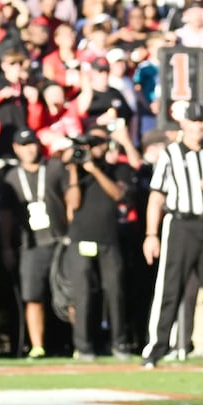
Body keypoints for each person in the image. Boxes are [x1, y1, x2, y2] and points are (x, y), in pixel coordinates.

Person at [140, 103, 203, 369]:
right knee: (170, 287)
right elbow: (156, 196)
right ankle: (155, 348)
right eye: (193, 121)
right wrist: (151, 234)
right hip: (180, 224)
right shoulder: (170, 153)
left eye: (201, 121)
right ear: (184, 124)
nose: (198, 126)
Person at [58, 125, 134, 360]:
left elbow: (117, 194)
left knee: (115, 292)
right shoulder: (77, 173)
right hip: (81, 239)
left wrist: (95, 170)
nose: (94, 149)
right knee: (82, 295)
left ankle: (119, 343)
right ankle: (83, 346)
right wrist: (74, 170)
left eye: (98, 144)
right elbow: (73, 202)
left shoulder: (117, 169)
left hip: (108, 239)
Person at [0, 128, 65, 358]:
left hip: (58, 239)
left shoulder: (54, 168)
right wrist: (6, 246)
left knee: (70, 293)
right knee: (33, 295)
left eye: (33, 144)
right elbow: (5, 216)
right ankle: (38, 345)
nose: (30, 149)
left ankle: (78, 343)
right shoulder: (11, 177)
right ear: (16, 148)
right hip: (30, 244)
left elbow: (70, 201)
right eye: (24, 145)